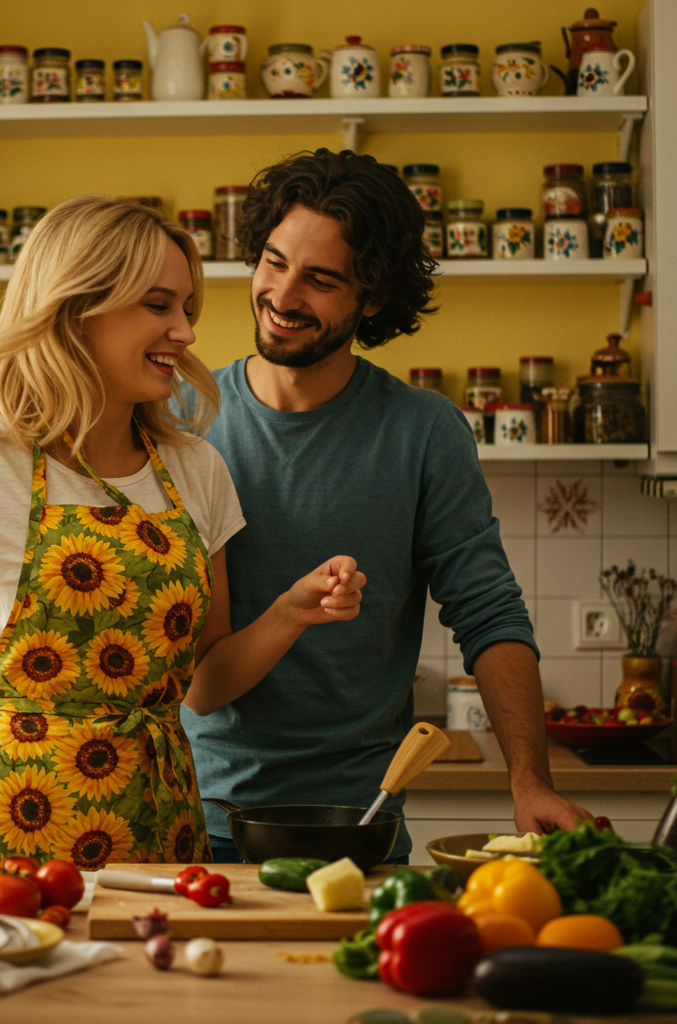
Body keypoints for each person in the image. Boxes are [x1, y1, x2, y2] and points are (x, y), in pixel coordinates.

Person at [0, 193, 366, 870]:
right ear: (75, 312)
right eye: (158, 306)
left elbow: (203, 684)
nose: (185, 332)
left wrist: (289, 614)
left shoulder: (196, 469)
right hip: (3, 847)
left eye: (187, 309)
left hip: (155, 837)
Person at [179, 149, 592, 864]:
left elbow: (488, 612)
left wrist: (529, 780)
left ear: (371, 298)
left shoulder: (423, 431)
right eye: (273, 262)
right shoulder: (178, 415)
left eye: (320, 279)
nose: (282, 294)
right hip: (190, 813)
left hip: (358, 823)